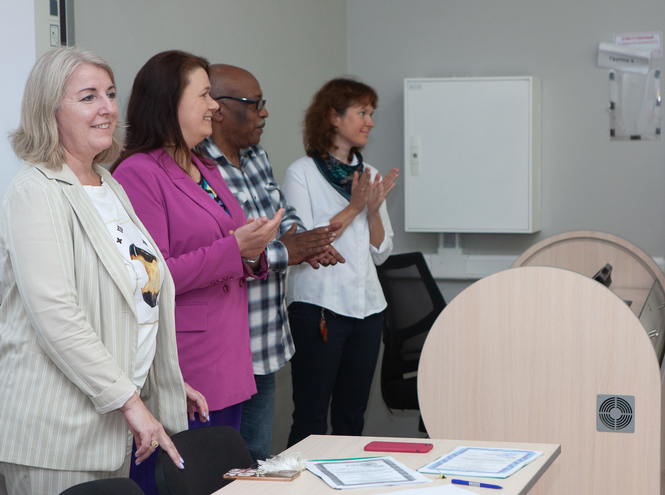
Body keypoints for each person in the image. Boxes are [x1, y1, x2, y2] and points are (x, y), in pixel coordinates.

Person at [0, 47, 206, 495]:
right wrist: (131, 401)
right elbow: (57, 316)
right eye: (88, 96)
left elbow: (130, 301)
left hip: (109, 422)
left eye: (110, 94)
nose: (108, 108)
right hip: (56, 435)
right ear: (49, 111)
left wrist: (161, 379)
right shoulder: (35, 191)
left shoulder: (107, 183)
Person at [112, 51, 282, 490]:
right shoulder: (139, 173)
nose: (214, 106)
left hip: (228, 356)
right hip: (187, 365)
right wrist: (234, 249)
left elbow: (230, 245)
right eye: (204, 94)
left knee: (222, 481)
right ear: (170, 102)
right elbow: (153, 275)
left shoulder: (204, 165)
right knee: (177, 483)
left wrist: (251, 250)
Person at [198, 64, 344, 462]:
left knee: (257, 457)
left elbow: (282, 213)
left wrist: (305, 240)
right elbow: (218, 250)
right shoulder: (194, 166)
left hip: (265, 337)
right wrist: (288, 252)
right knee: (218, 466)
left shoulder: (256, 156)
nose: (264, 113)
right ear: (220, 109)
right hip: (223, 345)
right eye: (255, 104)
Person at [282, 78, 399, 447]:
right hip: (319, 310)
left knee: (352, 416)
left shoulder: (370, 174)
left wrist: (374, 211)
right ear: (334, 117)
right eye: (362, 112)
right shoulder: (300, 172)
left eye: (371, 113)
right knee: (312, 417)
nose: (370, 122)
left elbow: (382, 251)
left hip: (367, 311)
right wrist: (354, 206)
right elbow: (305, 242)